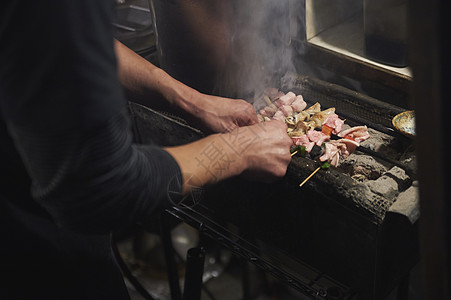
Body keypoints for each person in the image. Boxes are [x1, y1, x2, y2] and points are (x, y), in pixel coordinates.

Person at [0, 0, 292, 299]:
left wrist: (191, 101)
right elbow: (99, 189)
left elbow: (65, 43)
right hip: (29, 253)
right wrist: (238, 150)